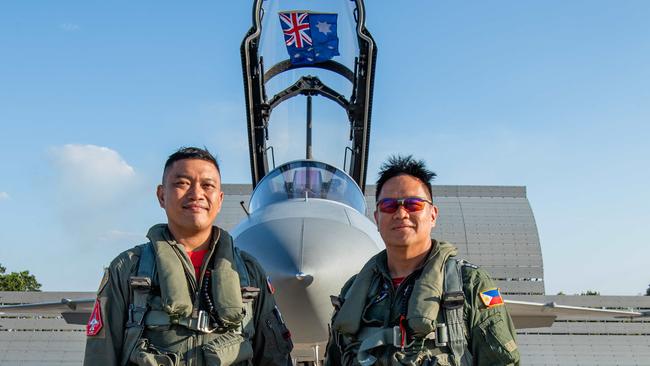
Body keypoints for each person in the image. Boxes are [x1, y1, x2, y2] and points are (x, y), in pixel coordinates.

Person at [84, 147, 293, 366]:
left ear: (220, 199)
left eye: (207, 185)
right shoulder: (128, 269)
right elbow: (100, 356)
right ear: (161, 195)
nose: (196, 194)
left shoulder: (249, 272)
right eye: (182, 183)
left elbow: (274, 356)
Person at [325, 155, 520, 366]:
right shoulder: (355, 291)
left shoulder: (469, 284)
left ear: (433, 215)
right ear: (376, 218)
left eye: (413, 204)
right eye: (389, 206)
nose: (401, 213)